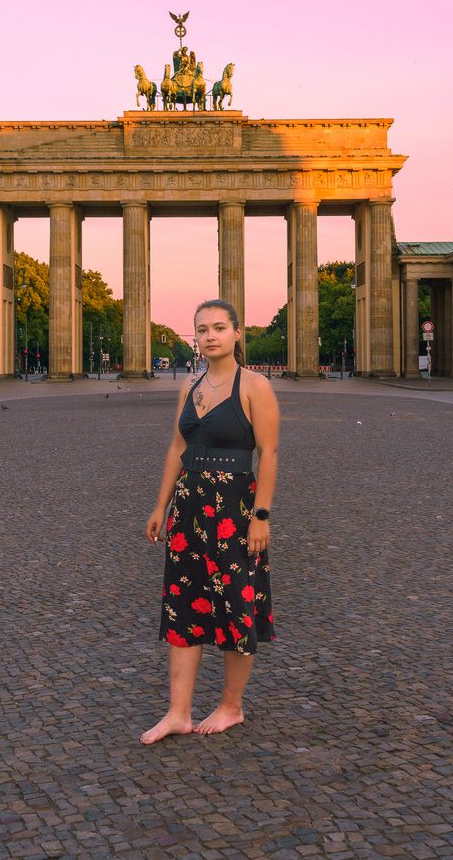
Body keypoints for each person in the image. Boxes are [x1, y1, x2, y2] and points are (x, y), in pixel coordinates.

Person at [142, 299, 280, 744]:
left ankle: (231, 706)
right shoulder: (190, 386)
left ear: (238, 333)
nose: (210, 336)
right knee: (184, 605)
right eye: (202, 330)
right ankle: (178, 712)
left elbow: (270, 454)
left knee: (236, 603)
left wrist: (261, 516)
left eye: (220, 327)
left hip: (235, 509)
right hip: (189, 504)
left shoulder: (255, 386)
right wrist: (160, 506)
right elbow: (175, 449)